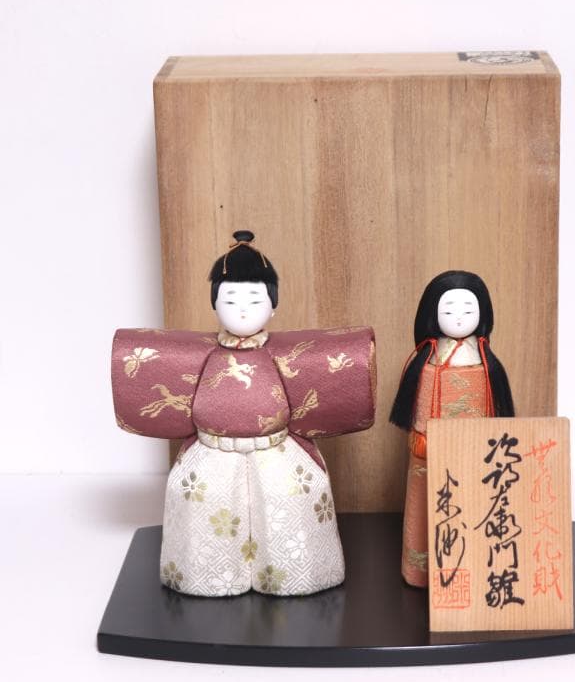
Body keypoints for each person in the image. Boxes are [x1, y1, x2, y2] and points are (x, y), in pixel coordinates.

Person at [112, 231, 376, 596]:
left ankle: (295, 577)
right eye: (230, 299)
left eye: (254, 299)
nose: (242, 309)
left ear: (273, 306)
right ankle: (209, 578)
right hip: (212, 452)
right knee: (199, 501)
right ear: (214, 305)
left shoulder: (283, 354)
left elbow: (324, 375)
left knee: (292, 500)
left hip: (276, 451)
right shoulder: (203, 356)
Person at [389, 270, 514, 587]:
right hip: (430, 453)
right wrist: (422, 440)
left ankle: (473, 571)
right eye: (448, 311)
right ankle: (423, 572)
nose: (458, 317)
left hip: (475, 455)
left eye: (468, 310)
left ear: (483, 314)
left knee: (476, 508)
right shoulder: (426, 362)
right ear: (432, 314)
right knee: (426, 507)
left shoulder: (486, 364)